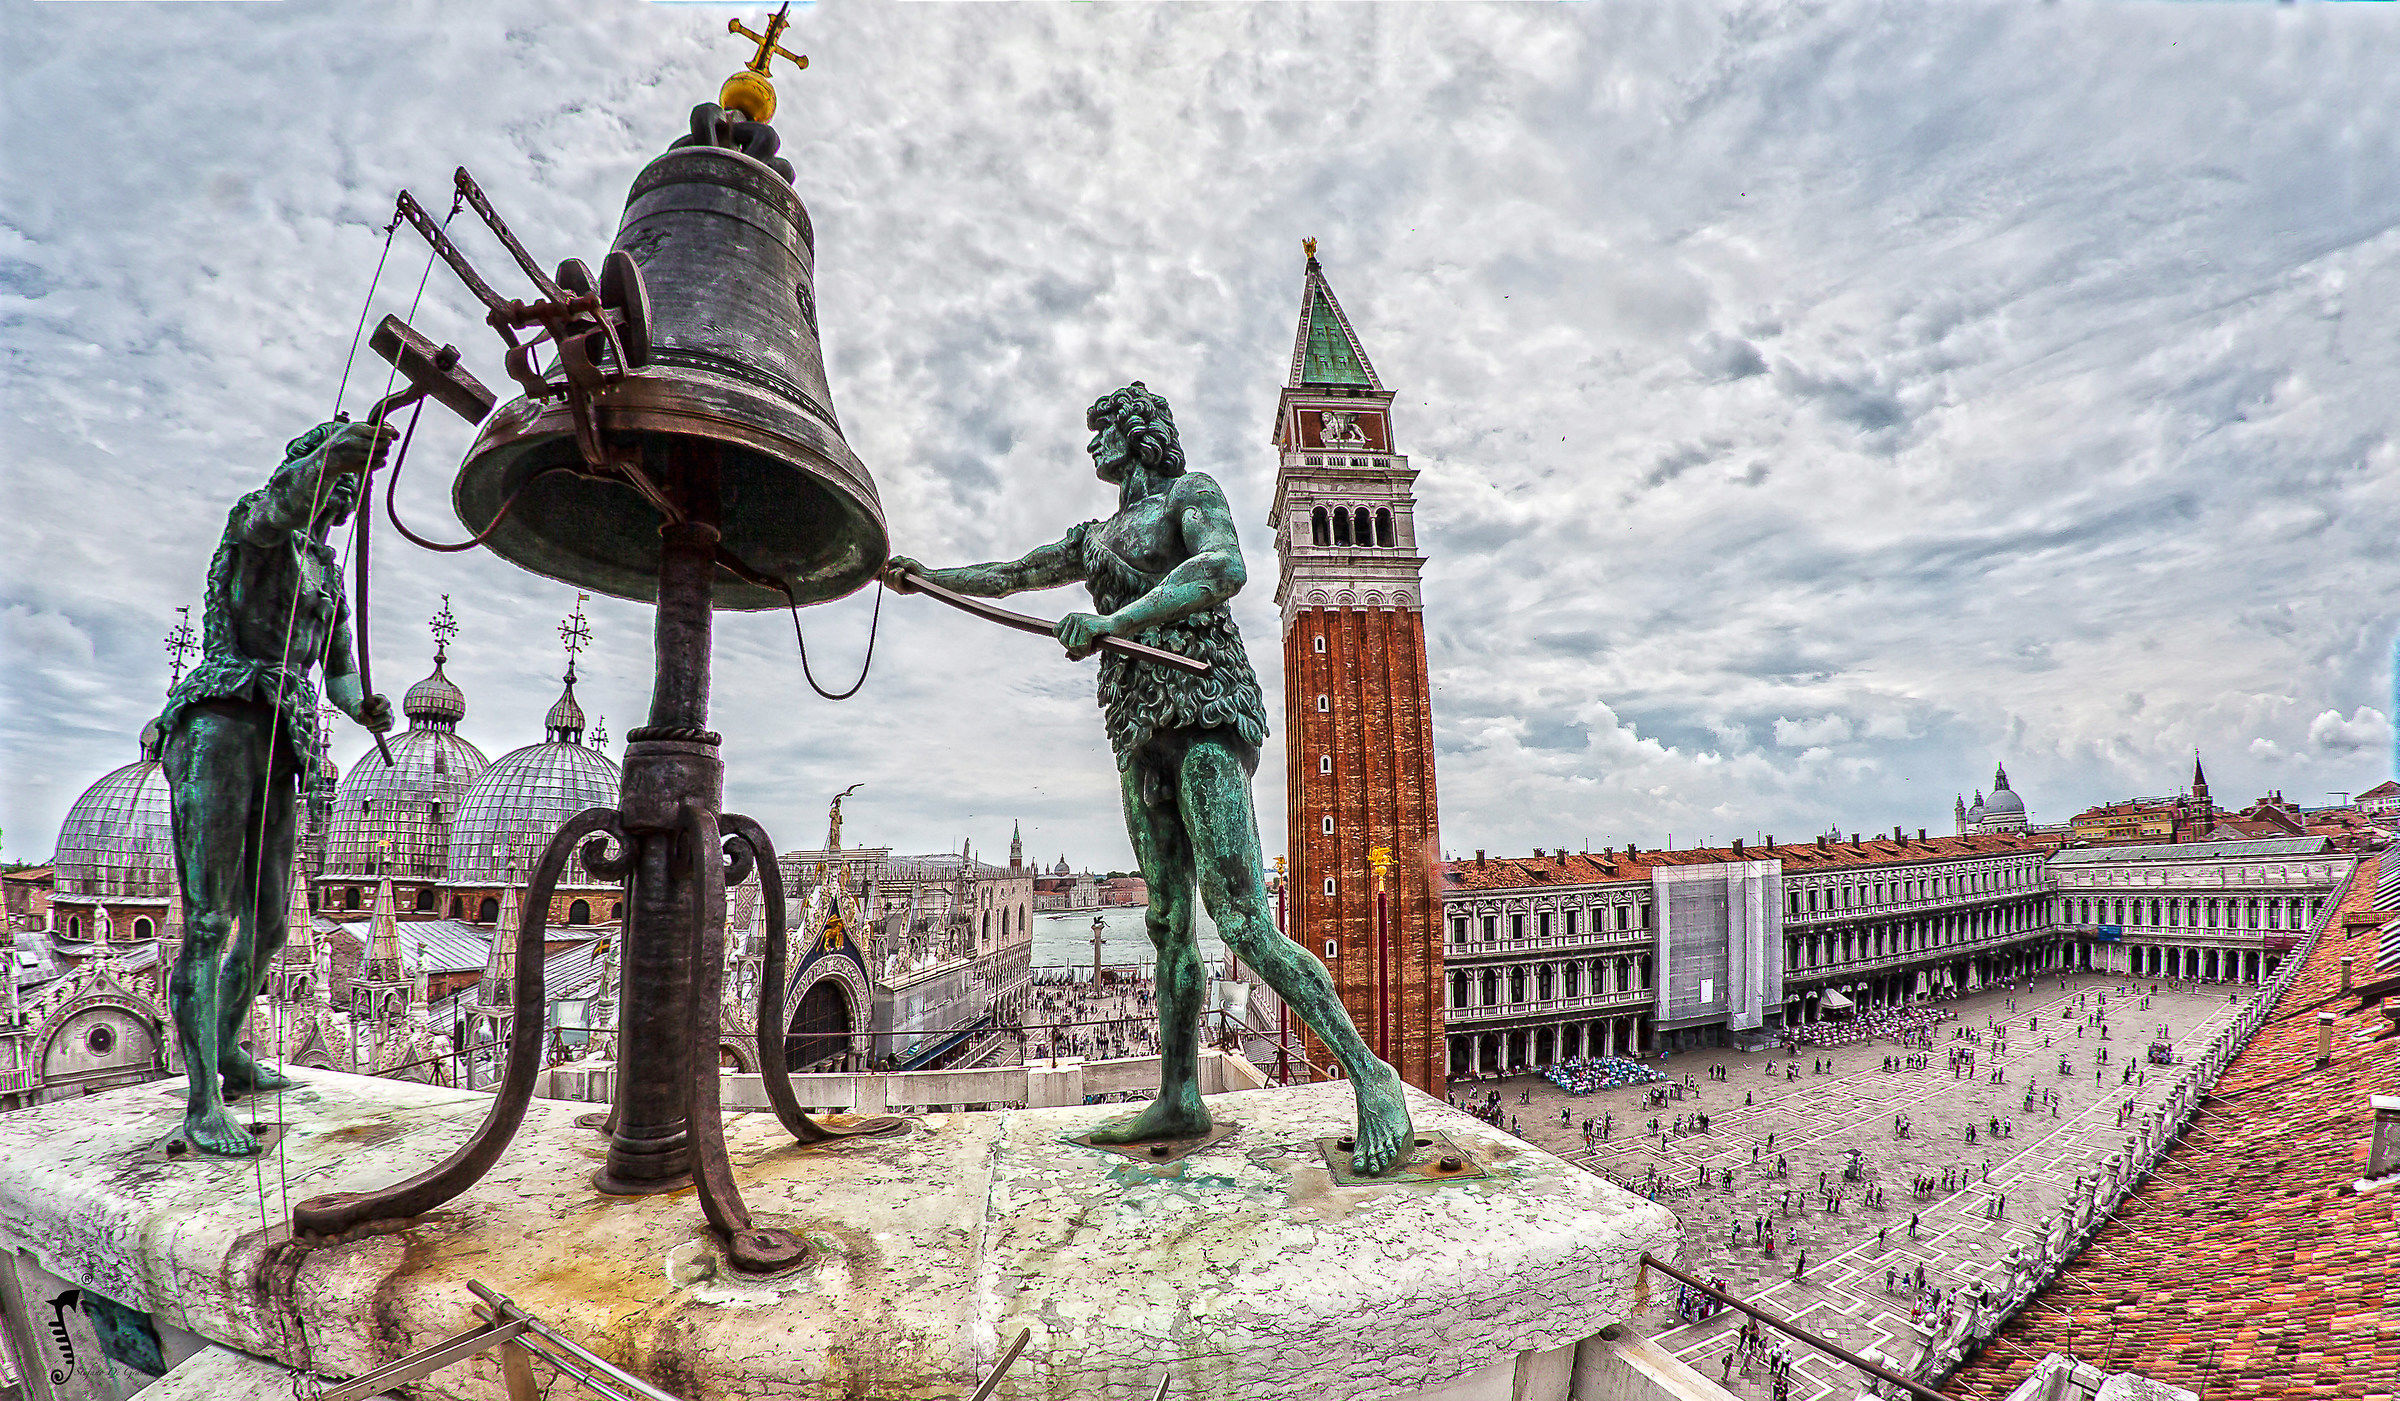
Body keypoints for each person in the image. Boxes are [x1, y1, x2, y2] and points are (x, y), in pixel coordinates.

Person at [890, 384, 1417, 1172]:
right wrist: (929, 575)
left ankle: (1373, 1077)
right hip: (1140, 731)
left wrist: (1112, 623)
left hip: (1203, 709)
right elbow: (1011, 573)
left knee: (1239, 921)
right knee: (1168, 920)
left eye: (1101, 432)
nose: (1092, 447)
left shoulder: (1190, 495)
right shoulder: (1095, 535)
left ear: (1136, 437)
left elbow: (1224, 567)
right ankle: (1179, 1094)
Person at [160, 419, 397, 1156]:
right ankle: (201, 1103)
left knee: (266, 927)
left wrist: (364, 704)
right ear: (305, 468)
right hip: (221, 723)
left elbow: (340, 667)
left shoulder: (328, 575)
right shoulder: (256, 523)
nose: (347, 491)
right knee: (208, 921)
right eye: (335, 476)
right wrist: (334, 456)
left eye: (352, 482)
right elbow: (281, 507)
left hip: (283, 737)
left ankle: (228, 1052)